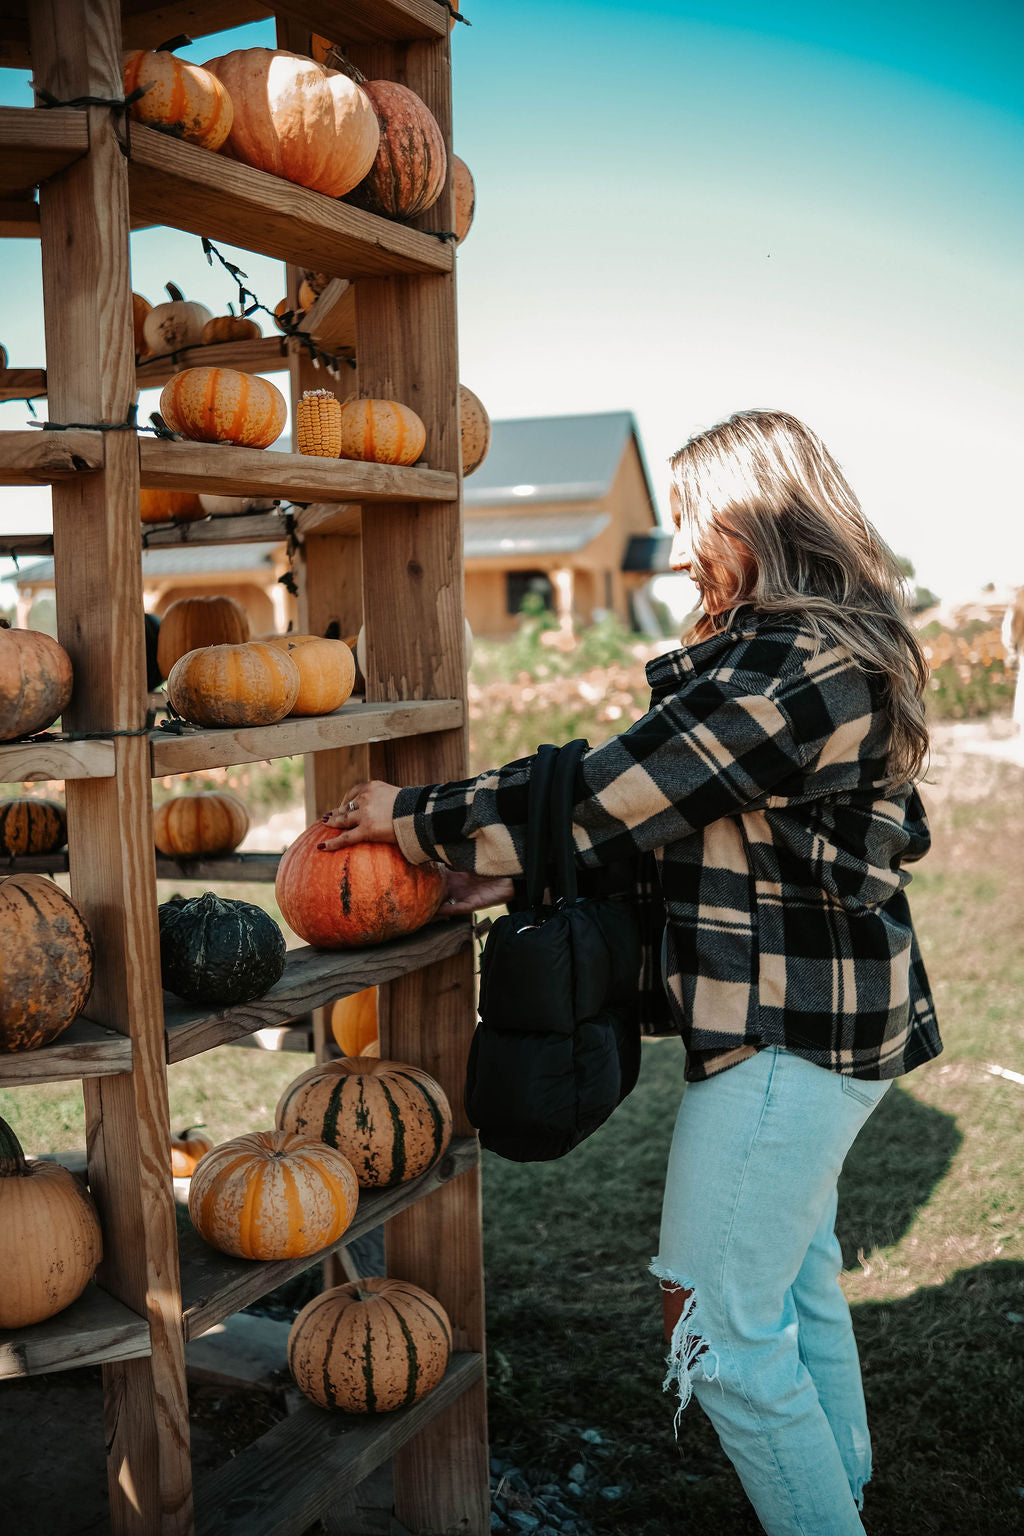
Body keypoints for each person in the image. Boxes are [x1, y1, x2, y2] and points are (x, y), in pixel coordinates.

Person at [320, 408, 941, 1536]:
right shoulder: (804, 653)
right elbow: (700, 826)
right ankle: (841, 1490)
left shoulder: (803, 666)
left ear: (761, 521)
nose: (678, 548)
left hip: (788, 1034)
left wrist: (416, 820)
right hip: (824, 1024)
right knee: (794, 1282)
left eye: (698, 521)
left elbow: (623, 788)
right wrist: (512, 872)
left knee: (714, 1324)